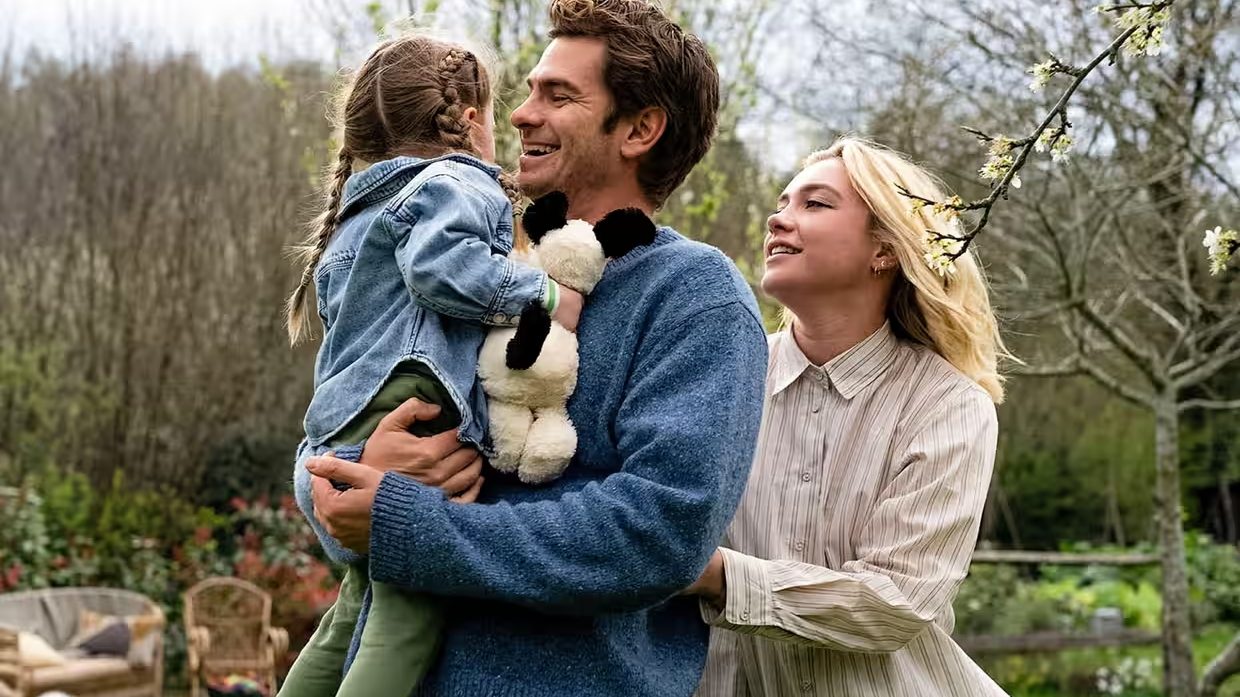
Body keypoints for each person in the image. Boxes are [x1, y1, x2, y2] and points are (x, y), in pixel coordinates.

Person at [299, 1, 769, 696]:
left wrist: (414, 521)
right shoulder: (475, 270)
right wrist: (349, 475)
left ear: (640, 128)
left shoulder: (697, 296)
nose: (520, 114)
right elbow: (336, 423)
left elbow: (660, 531)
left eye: (558, 95)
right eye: (526, 92)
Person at [280, 32, 584, 697]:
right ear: (470, 120)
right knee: (406, 617)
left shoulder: (357, 211)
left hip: (349, 419)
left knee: (351, 612)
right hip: (413, 402)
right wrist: (545, 293)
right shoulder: (456, 179)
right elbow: (442, 268)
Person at [688, 137, 1009, 696]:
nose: (777, 218)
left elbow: (898, 599)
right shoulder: (719, 374)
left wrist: (716, 577)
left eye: (814, 204)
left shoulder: (949, 406)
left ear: (883, 249)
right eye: (783, 202)